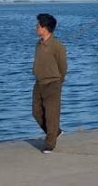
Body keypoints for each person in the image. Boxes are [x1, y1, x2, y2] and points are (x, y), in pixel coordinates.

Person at [32, 13, 68, 154]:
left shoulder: (57, 46)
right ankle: (55, 132)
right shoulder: (38, 44)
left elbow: (63, 65)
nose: (36, 28)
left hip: (53, 83)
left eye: (38, 25)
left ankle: (49, 144)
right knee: (36, 112)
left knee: (51, 115)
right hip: (39, 83)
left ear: (45, 28)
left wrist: (59, 79)